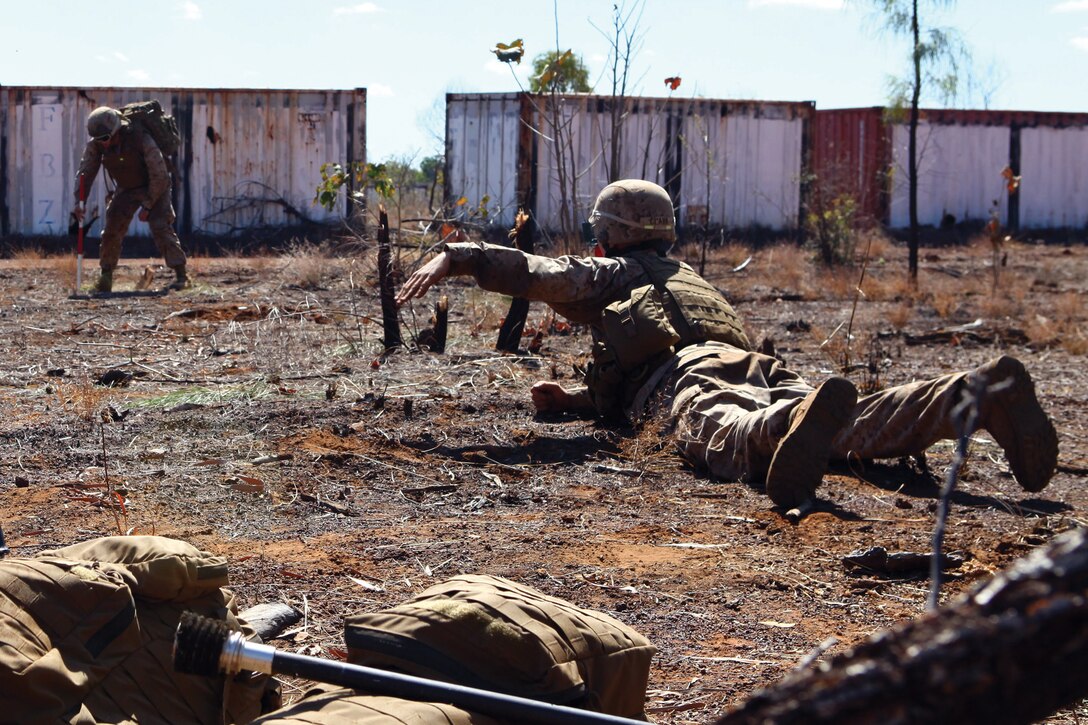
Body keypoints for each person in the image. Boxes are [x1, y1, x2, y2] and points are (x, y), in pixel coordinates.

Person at [395, 179, 1059, 509]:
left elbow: (535, 274)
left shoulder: (612, 273)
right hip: (760, 366)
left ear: (616, 235)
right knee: (849, 423)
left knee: (724, 430)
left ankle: (784, 427)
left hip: (687, 378)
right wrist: (572, 397)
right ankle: (969, 395)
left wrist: (459, 256)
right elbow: (621, 376)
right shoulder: (689, 279)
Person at [73, 106, 189, 293]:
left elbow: (160, 175)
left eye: (105, 138)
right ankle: (106, 278)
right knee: (111, 229)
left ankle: (182, 276)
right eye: (98, 139)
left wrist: (149, 205)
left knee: (161, 227)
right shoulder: (97, 145)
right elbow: (85, 172)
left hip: (154, 186)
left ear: (116, 130)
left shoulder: (141, 139)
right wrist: (79, 202)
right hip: (126, 188)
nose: (102, 143)